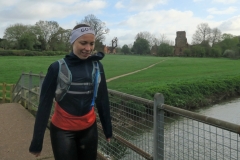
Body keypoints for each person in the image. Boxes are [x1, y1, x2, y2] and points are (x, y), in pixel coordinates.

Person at [29, 23, 112, 160]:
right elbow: (44, 105)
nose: (88, 48)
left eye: (92, 44)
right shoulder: (57, 68)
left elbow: (102, 99)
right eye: (83, 43)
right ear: (73, 41)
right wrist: (37, 141)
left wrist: (108, 130)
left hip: (89, 130)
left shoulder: (97, 66)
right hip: (62, 131)